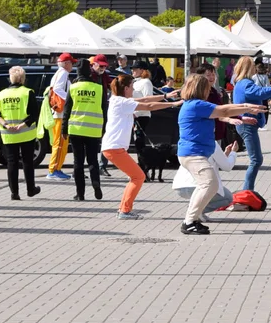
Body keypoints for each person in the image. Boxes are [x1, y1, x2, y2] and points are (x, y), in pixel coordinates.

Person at [177, 74, 264, 234]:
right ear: (201, 89)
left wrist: (242, 111)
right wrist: (246, 107)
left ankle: (192, 219)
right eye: (207, 88)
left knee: (207, 185)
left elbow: (222, 114)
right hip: (193, 154)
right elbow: (223, 109)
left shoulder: (193, 105)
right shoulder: (196, 105)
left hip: (195, 153)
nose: (209, 90)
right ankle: (189, 221)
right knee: (209, 183)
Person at [102, 74, 182, 219]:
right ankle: (124, 211)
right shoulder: (122, 102)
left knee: (136, 176)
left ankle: (124, 209)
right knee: (138, 176)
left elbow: (145, 99)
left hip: (113, 147)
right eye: (132, 87)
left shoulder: (118, 100)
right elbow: (148, 106)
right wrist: (173, 103)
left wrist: (166, 95)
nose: (133, 90)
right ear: (126, 88)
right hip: (114, 148)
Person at [231, 56, 271, 192]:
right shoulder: (245, 83)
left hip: (247, 124)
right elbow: (259, 92)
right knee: (256, 160)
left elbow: (258, 94)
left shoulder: (241, 83)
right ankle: (247, 191)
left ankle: (248, 190)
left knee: (256, 159)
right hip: (247, 124)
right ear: (249, 68)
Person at [0, 66, 42, 200]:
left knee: (12, 162)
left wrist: (5, 124)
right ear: (23, 78)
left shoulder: (1, 94)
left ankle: (14, 192)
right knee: (27, 161)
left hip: (8, 134)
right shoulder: (27, 92)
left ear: (10, 78)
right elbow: (34, 114)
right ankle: (31, 189)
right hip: (26, 133)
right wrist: (22, 125)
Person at [63, 59, 108, 202]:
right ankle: (96, 184)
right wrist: (104, 128)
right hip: (94, 129)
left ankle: (80, 193)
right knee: (93, 160)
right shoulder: (98, 88)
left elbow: (67, 110)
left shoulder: (73, 87)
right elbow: (104, 110)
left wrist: (64, 129)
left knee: (78, 162)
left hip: (76, 129)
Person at [173, 141, 239, 218]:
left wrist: (225, 155)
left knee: (204, 191)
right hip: (198, 186)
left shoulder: (186, 141)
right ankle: (196, 212)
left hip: (180, 186)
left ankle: (195, 212)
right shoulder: (211, 143)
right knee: (227, 197)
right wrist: (233, 152)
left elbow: (211, 160)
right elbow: (227, 166)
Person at [46, 53, 74, 180]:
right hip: (60, 113)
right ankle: (53, 170)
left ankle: (56, 169)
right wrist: (69, 99)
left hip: (59, 112)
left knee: (60, 142)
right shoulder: (62, 72)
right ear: (66, 63)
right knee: (60, 142)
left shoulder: (59, 73)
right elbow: (57, 88)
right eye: (71, 63)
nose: (72, 65)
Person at [130, 62, 155, 129]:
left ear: (142, 70)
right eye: (132, 69)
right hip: (132, 115)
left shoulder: (146, 82)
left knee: (139, 138)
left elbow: (148, 100)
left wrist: (136, 114)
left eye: (135, 69)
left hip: (141, 116)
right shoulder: (134, 82)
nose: (132, 70)